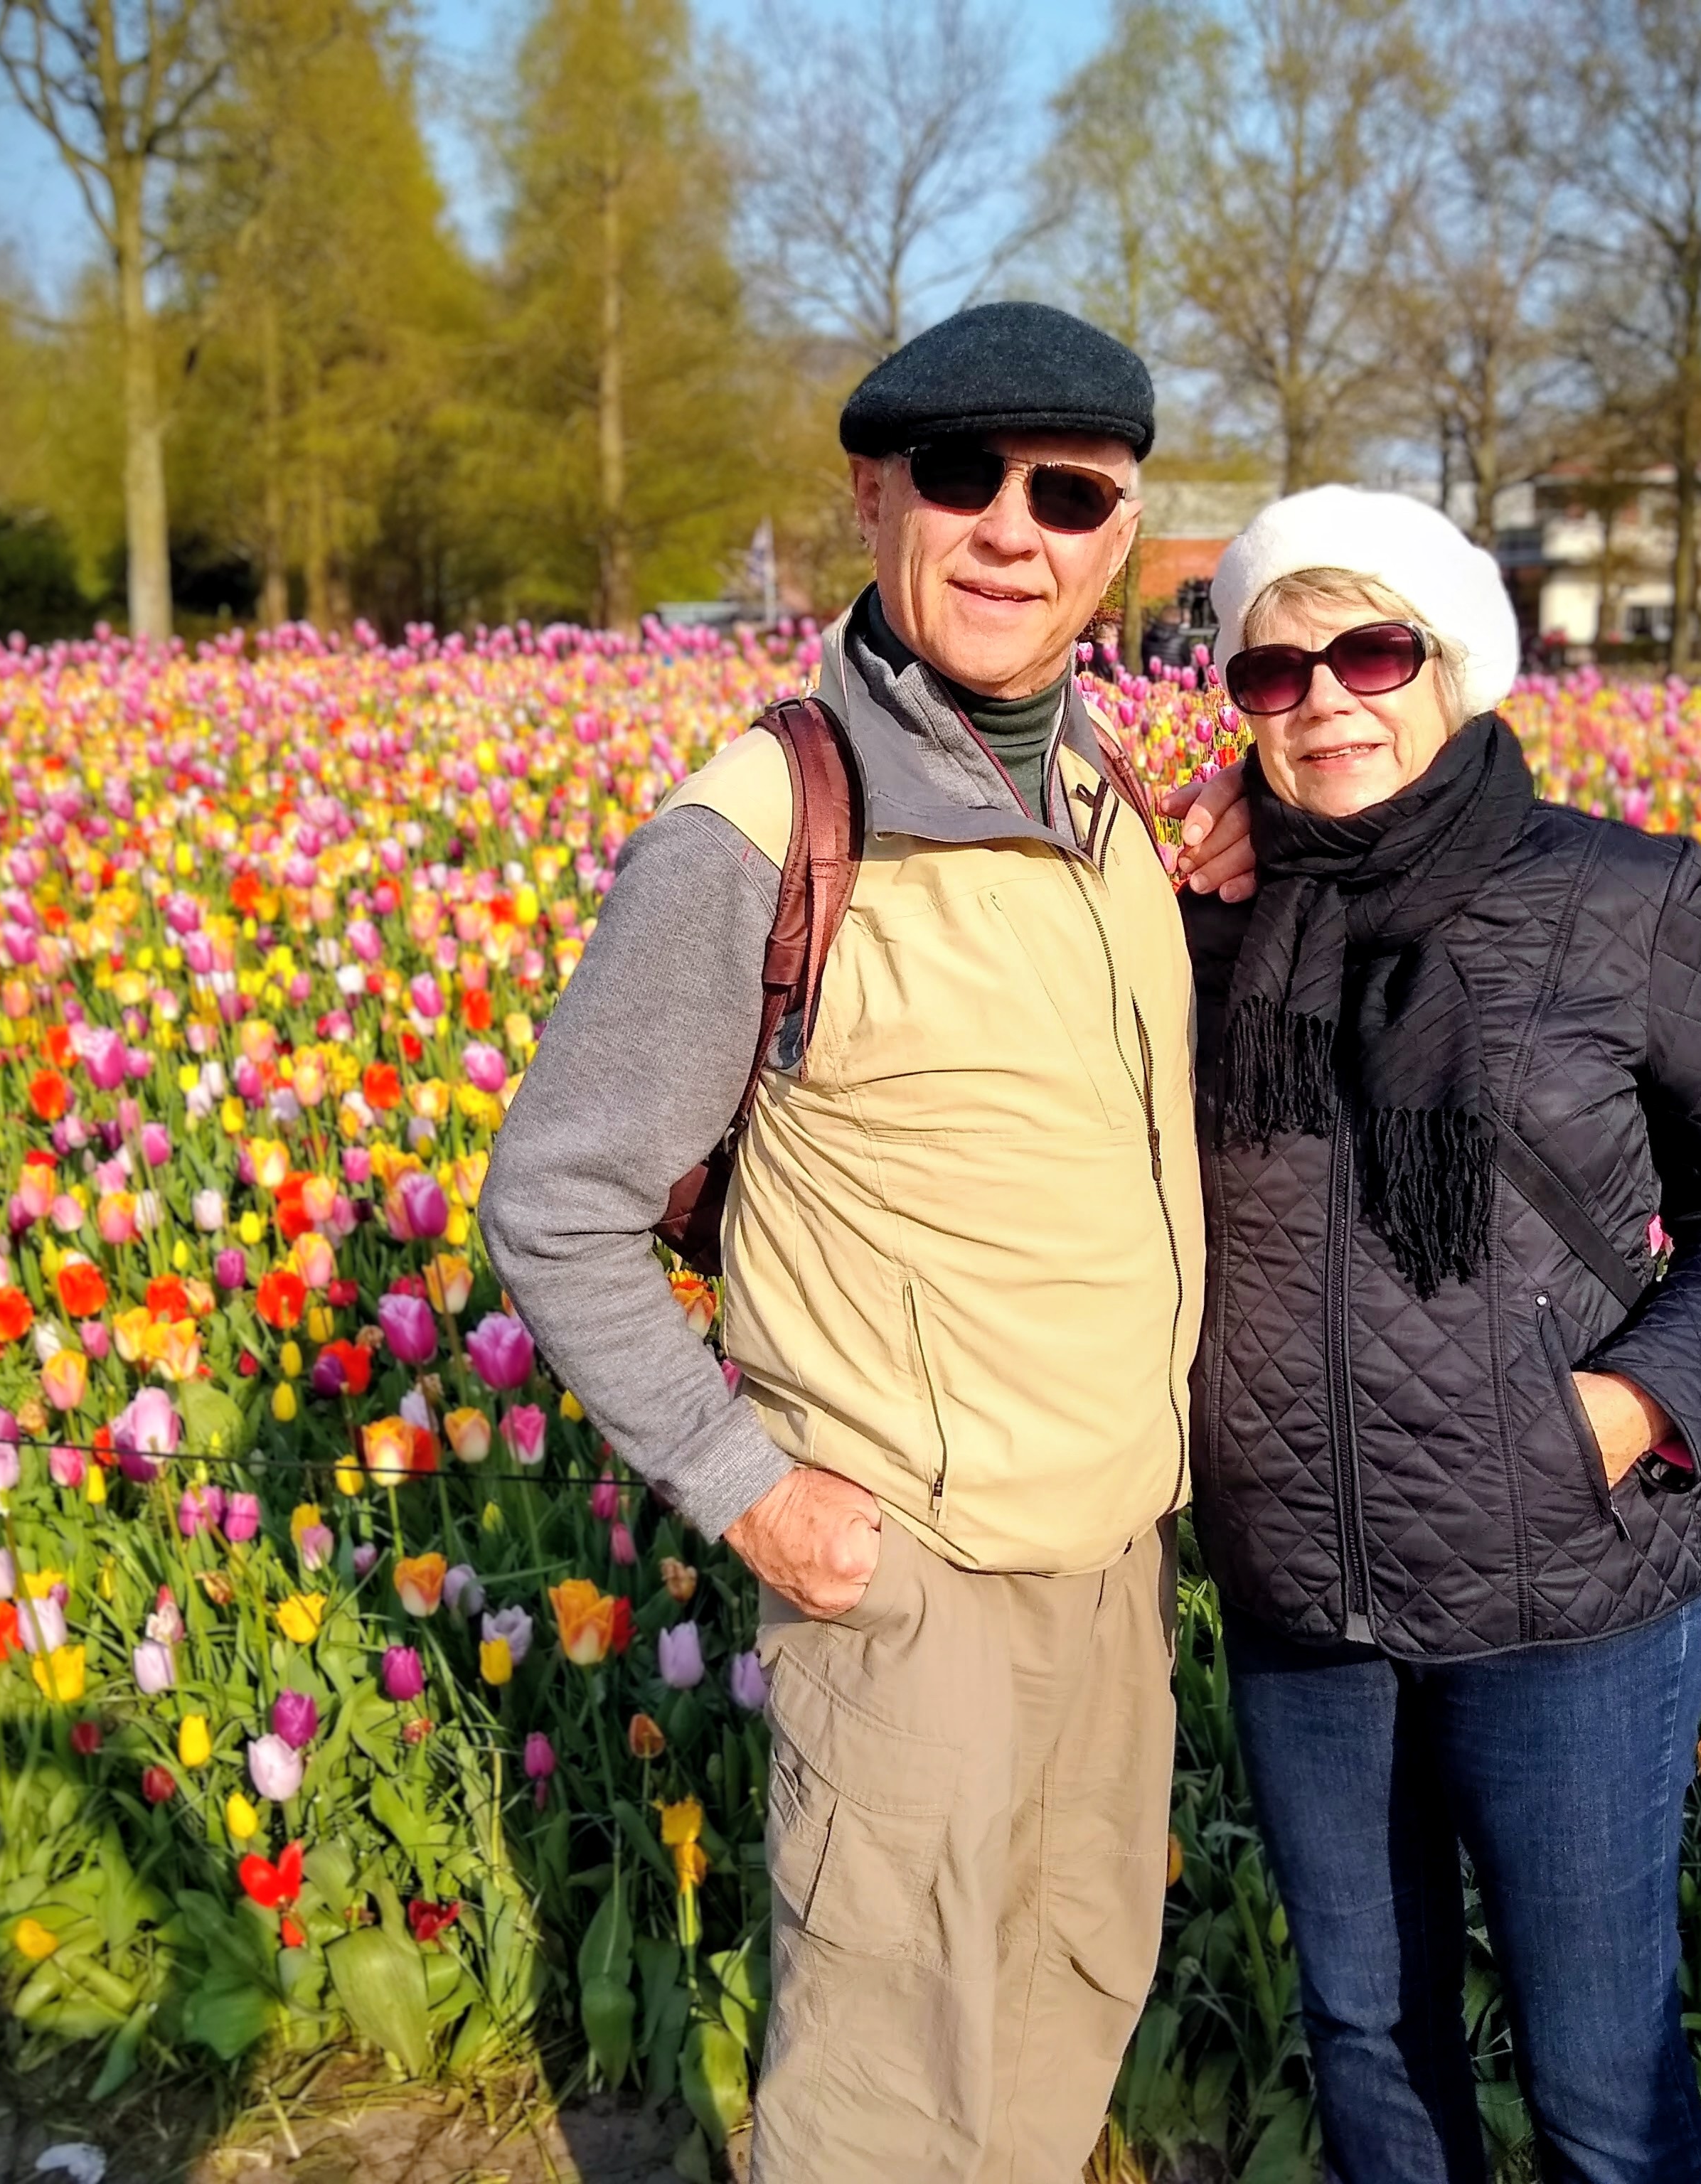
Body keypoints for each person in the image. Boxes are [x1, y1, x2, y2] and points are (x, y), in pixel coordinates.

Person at [480, 299, 1253, 2183]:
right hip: (909, 1575)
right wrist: (749, 1488)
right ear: (873, 494)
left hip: (1108, 1566)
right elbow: (555, 1202)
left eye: (1068, 494)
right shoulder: (764, 820)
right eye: (961, 477)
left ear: (1122, 540)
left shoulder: (1105, 804)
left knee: (1071, 1990)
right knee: (887, 2094)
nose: (1013, 529)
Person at [1178, 487, 1701, 2184]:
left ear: (1452, 665)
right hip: (1301, 1595)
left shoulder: (1621, 896)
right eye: (1274, 669)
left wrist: (1627, 1406)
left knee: (1603, 2090)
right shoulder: (1196, 916)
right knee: (1370, 2047)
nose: (1326, 697)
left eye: (1371, 650)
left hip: (1565, 1586)